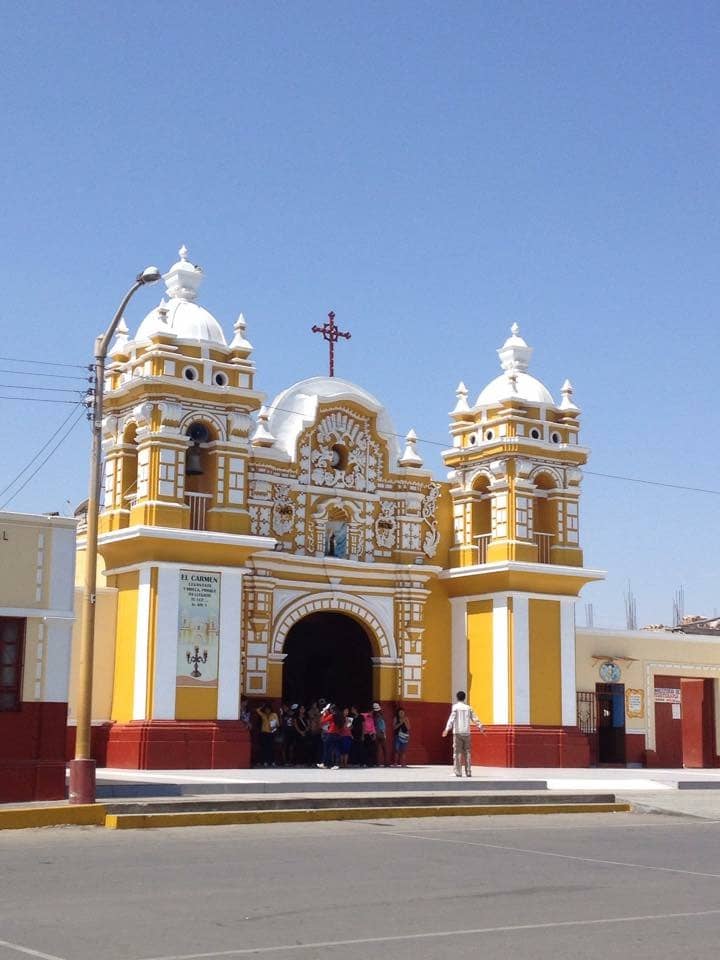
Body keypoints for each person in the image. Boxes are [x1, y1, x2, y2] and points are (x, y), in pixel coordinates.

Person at [442, 690, 484, 777]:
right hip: (467, 732)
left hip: (457, 732)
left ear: (457, 698)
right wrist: (480, 726)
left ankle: (458, 772)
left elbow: (452, 718)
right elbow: (475, 718)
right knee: (467, 752)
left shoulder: (455, 707)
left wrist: (447, 729)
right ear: (464, 698)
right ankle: (468, 771)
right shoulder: (468, 708)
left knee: (457, 752)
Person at [256, 703, 279, 767]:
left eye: (268, 709)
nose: (267, 710)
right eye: (266, 709)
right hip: (264, 733)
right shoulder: (263, 715)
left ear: (271, 709)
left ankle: (272, 762)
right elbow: (257, 710)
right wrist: (263, 706)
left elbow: (277, 724)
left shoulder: (274, 714)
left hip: (271, 733)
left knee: (271, 748)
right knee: (264, 748)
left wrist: (274, 727)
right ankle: (265, 761)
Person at [372, 702, 388, 766]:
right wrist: (384, 733)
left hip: (376, 733)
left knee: (377, 749)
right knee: (384, 749)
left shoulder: (373, 716)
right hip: (381, 733)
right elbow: (383, 726)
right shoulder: (381, 715)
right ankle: (386, 763)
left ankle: (377, 762)